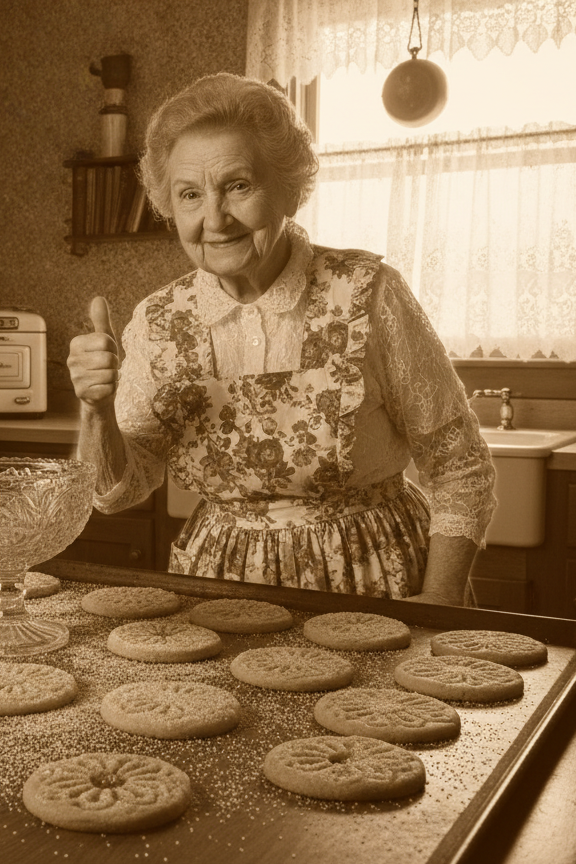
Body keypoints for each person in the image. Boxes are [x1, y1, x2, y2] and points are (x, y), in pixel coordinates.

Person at [66, 72, 496, 605]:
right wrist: (95, 411)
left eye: (238, 186)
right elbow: (116, 490)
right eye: (190, 195)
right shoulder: (158, 321)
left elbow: (460, 465)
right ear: (168, 206)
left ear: (289, 188)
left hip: (376, 579)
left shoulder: (369, 294)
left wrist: (440, 603)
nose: (215, 218)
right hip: (220, 589)